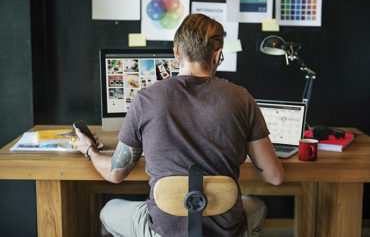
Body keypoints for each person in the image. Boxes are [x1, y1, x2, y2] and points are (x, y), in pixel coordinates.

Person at [75, 13, 284, 237]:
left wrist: (90, 150)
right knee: (257, 205)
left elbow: (116, 173)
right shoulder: (242, 98)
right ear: (217, 55)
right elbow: (275, 177)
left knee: (108, 210)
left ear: (176, 53)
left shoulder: (147, 99)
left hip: (163, 231)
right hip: (226, 231)